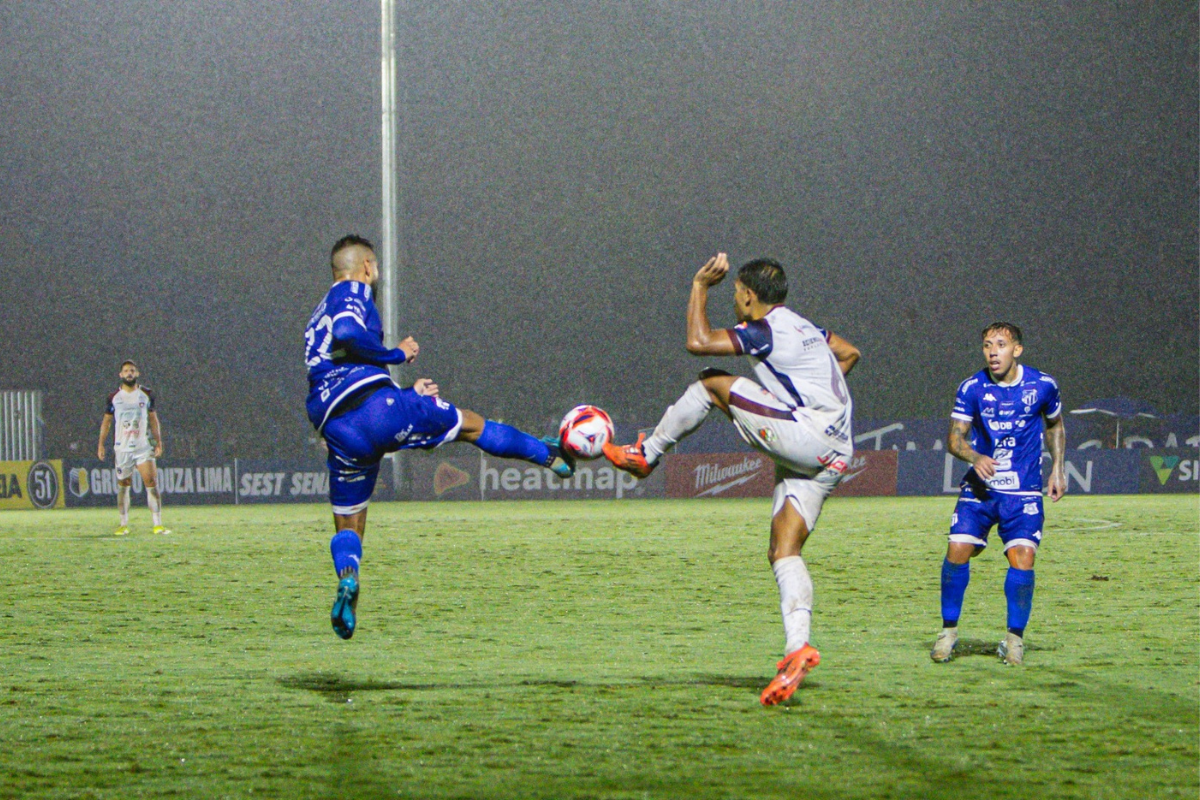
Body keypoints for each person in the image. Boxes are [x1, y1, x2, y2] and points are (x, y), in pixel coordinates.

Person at [603, 253, 859, 706]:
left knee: (710, 383)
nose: (735, 300)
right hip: (836, 451)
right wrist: (812, 403)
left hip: (807, 437)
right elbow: (849, 353)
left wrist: (700, 285)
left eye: (737, 293)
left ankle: (647, 454)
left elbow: (698, 342)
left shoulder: (764, 329)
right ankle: (797, 648)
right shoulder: (806, 328)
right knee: (784, 549)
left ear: (746, 295)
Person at [306, 234, 575, 640]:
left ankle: (348, 578)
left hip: (339, 429)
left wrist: (402, 392)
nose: (376, 275)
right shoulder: (353, 291)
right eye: (375, 268)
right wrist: (395, 355)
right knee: (471, 425)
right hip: (376, 410)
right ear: (365, 266)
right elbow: (347, 332)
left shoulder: (315, 315)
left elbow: (342, 361)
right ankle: (549, 454)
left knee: (349, 522)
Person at [931, 322, 1066, 666]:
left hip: (1021, 493)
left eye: (1001, 345)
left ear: (1017, 350)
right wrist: (974, 457)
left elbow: (1055, 425)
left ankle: (1014, 640)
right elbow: (954, 438)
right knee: (957, 550)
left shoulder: (1043, 385)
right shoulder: (972, 388)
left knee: (1023, 558)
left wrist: (1058, 468)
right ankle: (948, 633)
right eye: (988, 345)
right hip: (980, 489)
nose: (993, 352)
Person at [97, 360, 171, 536]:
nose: (129, 373)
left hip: (142, 446)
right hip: (122, 448)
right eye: (126, 371)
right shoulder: (113, 397)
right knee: (123, 486)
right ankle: (123, 525)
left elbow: (153, 419)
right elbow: (106, 422)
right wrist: (101, 444)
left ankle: (157, 524)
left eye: (132, 370)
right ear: (120, 375)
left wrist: (158, 441)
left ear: (137, 374)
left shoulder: (146, 394)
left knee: (151, 483)